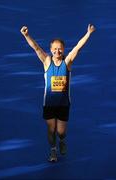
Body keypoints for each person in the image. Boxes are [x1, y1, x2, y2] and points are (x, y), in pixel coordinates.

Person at [20, 24, 95, 162]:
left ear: (63, 49)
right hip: (49, 104)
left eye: (60, 48)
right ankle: (53, 151)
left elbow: (78, 47)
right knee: (51, 130)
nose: (57, 51)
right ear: (51, 50)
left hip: (63, 105)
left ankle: (62, 140)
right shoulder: (47, 61)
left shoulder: (67, 62)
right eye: (54, 49)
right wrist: (26, 35)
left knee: (61, 132)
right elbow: (36, 48)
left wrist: (88, 34)